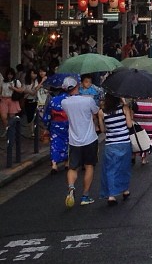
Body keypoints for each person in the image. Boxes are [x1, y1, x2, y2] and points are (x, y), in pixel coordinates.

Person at [61, 76, 99, 207]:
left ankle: (71, 187)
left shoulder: (64, 103)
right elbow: (95, 112)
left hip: (74, 140)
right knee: (89, 166)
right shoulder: (88, 101)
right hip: (90, 138)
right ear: (77, 85)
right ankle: (85, 195)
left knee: (73, 167)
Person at [98, 94, 133, 205]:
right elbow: (129, 125)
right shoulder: (124, 108)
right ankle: (125, 190)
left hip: (111, 144)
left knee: (110, 169)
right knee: (124, 167)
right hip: (124, 142)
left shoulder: (101, 112)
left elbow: (103, 130)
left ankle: (111, 196)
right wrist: (125, 104)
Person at [42, 84, 70, 173]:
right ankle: (67, 163)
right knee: (67, 142)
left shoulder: (53, 100)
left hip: (55, 124)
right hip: (67, 124)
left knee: (55, 143)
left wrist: (47, 125)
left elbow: (47, 115)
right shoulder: (69, 99)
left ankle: (54, 164)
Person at [132, 95, 152, 164]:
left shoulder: (135, 88)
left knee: (136, 133)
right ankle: (143, 157)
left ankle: (133, 154)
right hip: (149, 111)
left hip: (137, 110)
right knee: (148, 135)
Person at [0, 67, 24, 137]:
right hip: (4, 99)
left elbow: (21, 90)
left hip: (12, 99)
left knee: (11, 117)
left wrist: (13, 88)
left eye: (11, 74)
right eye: (8, 74)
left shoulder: (16, 81)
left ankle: (11, 131)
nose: (9, 76)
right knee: (3, 116)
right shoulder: (3, 82)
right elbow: (1, 90)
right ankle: (7, 129)